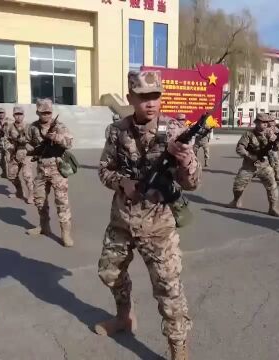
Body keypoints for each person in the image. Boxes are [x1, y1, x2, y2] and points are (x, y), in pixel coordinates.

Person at [95, 70, 199, 360]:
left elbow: (192, 182)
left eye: (155, 96)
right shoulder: (117, 131)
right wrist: (122, 183)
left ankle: (178, 348)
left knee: (168, 290)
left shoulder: (176, 131)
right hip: (122, 220)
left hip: (158, 226)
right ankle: (124, 317)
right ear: (130, 98)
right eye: (143, 97)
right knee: (109, 273)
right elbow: (104, 170)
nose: (150, 103)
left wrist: (187, 161)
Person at [26, 99, 75, 247]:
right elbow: (28, 142)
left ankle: (65, 233)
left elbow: (70, 143)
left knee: (62, 202)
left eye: (48, 112)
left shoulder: (59, 126)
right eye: (43, 113)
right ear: (37, 112)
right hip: (41, 168)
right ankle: (44, 226)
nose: (46, 115)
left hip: (57, 168)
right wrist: (30, 149)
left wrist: (57, 138)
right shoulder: (32, 127)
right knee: (39, 199)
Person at [228, 113, 279, 217]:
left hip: (264, 165)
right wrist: (250, 156)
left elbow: (276, 148)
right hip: (249, 165)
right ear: (256, 122)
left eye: (267, 122)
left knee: (272, 186)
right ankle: (236, 201)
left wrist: (275, 144)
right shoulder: (248, 134)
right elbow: (240, 148)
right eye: (263, 122)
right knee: (238, 185)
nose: (265, 124)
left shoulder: (270, 133)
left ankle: (273, 208)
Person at [4, 106, 35, 204]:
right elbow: (6, 139)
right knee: (11, 176)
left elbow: (36, 141)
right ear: (13, 115)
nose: (18, 116)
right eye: (16, 114)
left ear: (23, 115)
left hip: (26, 154)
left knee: (27, 175)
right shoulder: (9, 127)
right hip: (14, 154)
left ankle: (31, 194)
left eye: (20, 114)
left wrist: (30, 146)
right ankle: (19, 192)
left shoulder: (29, 127)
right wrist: (9, 148)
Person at [0, 107, 12, 178]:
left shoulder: (10, 121)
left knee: (9, 159)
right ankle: (4, 173)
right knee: (0, 159)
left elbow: (14, 132)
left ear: (5, 113)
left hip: (8, 143)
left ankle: (11, 174)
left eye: (2, 113)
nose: (1, 114)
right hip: (0, 143)